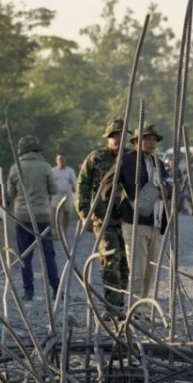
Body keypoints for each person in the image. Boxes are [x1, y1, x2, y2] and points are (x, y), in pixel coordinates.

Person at [76, 118, 129, 312]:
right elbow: (82, 185)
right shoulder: (96, 157)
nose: (118, 138)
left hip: (128, 218)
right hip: (103, 218)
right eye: (114, 135)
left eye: (121, 135)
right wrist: (84, 215)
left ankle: (123, 303)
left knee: (126, 264)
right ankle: (112, 306)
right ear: (107, 137)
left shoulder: (131, 158)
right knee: (110, 260)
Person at [112, 123, 169, 303]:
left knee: (150, 272)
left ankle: (142, 307)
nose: (151, 143)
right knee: (137, 270)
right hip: (135, 221)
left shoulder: (159, 163)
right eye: (147, 138)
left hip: (156, 222)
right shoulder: (126, 161)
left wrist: (165, 190)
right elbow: (110, 185)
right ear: (136, 141)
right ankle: (133, 307)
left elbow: (168, 186)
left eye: (154, 139)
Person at [8, 135, 61, 302]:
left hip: (22, 217)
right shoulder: (45, 167)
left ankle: (28, 290)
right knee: (48, 255)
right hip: (42, 216)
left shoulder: (15, 168)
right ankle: (56, 288)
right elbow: (54, 190)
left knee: (25, 256)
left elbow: (10, 194)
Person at [51, 153, 79, 239]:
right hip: (56, 194)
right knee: (55, 213)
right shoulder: (53, 171)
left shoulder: (70, 171)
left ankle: (64, 231)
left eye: (62, 159)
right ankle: (55, 231)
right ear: (56, 160)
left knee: (67, 213)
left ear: (65, 160)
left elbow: (74, 182)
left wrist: (77, 193)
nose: (61, 161)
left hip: (67, 195)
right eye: (59, 159)